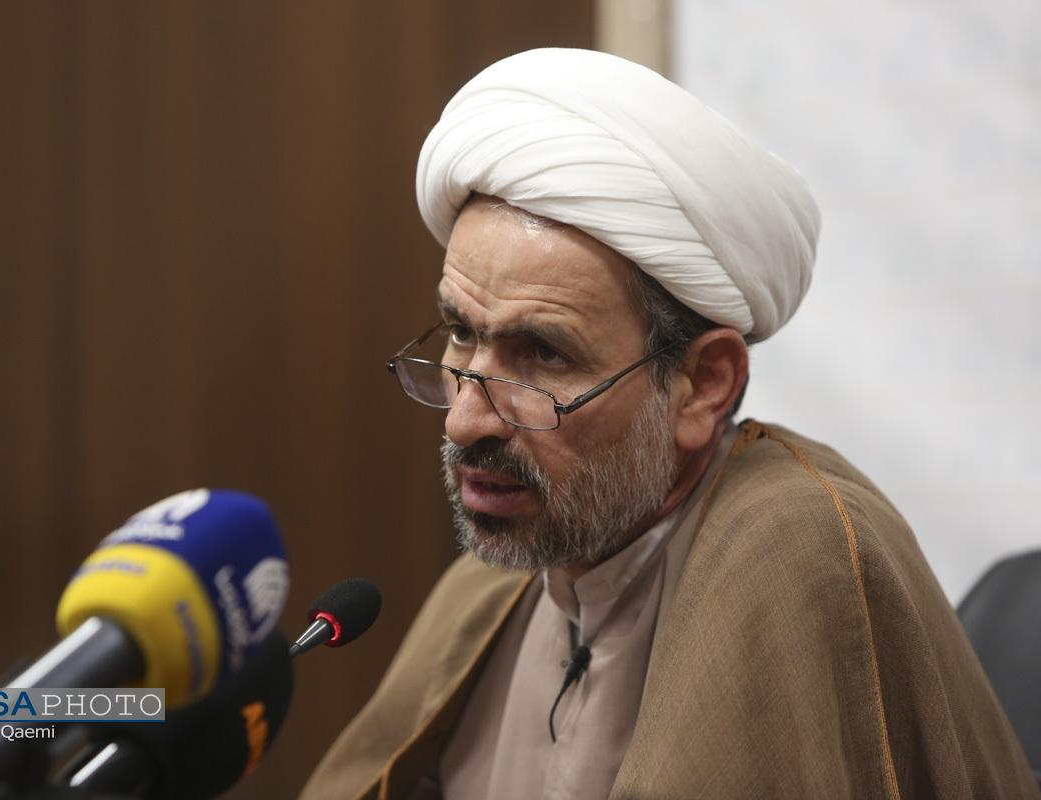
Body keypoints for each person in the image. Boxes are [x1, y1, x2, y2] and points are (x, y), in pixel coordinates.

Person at [299, 48, 1038, 800]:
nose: (464, 420)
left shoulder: (790, 544)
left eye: (544, 355)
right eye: (461, 333)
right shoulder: (496, 583)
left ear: (702, 385)